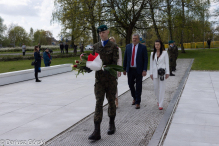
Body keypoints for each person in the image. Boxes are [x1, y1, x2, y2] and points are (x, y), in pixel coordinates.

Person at [88, 25, 118, 141]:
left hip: (110, 80)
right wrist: (88, 67)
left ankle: (111, 123)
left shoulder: (114, 46)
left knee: (111, 102)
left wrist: (107, 68)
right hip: (99, 81)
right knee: (98, 103)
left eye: (103, 32)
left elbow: (115, 63)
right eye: (100, 33)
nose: (102, 34)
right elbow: (92, 61)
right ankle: (97, 131)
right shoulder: (96, 46)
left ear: (108, 32)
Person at [123, 33, 148, 109]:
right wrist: (124, 68)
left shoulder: (143, 47)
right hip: (130, 69)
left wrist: (144, 70)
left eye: (136, 38)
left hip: (139, 69)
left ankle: (137, 102)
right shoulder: (128, 47)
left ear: (138, 39)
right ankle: (134, 97)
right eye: (133, 38)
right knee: (130, 84)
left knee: (138, 86)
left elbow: (145, 60)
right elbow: (125, 58)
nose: (134, 39)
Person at [150, 40, 170, 110]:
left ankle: (161, 104)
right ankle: (158, 100)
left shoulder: (165, 53)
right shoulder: (152, 53)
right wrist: (151, 73)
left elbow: (167, 63)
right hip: (155, 72)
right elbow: (151, 64)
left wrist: (167, 72)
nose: (157, 46)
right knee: (155, 88)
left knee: (162, 88)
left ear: (160, 45)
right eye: (155, 45)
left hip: (162, 72)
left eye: (158, 44)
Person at [109, 36, 122, 108]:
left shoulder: (118, 49)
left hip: (115, 69)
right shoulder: (107, 49)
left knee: (114, 85)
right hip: (108, 69)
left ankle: (116, 99)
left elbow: (119, 59)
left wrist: (119, 69)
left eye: (112, 41)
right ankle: (110, 100)